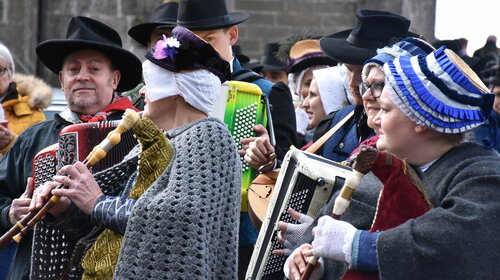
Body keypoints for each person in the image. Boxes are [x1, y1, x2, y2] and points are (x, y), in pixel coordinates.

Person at [30, 26, 241, 280]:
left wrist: (98, 202)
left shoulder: (208, 135)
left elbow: (179, 222)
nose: (141, 92)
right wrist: (66, 208)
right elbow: (112, 226)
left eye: (150, 83)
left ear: (174, 89)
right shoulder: (153, 140)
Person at [298, 47, 500, 280]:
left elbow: (451, 246)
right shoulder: (382, 166)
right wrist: (318, 265)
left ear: (420, 119)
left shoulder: (484, 177)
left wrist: (356, 245)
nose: (376, 118)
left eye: (385, 109)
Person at [0, 16, 141, 280]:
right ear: (63, 79)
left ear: (115, 79)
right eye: (74, 69)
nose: (82, 76)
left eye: (94, 69)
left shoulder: (141, 135)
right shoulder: (34, 137)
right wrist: (9, 213)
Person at [282, 37, 435, 280]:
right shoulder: (368, 150)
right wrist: (311, 255)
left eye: (380, 86)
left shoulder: (464, 170)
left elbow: (436, 253)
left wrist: (354, 245)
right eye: (364, 83)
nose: (366, 95)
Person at [176, 1, 298, 278]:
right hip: (189, 230)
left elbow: (293, 167)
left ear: (232, 35)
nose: (202, 50)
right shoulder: (173, 93)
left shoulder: (267, 91)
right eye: (193, 43)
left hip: (244, 235)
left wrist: (269, 160)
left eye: (209, 40)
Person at [124, 1, 179, 110]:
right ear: (149, 47)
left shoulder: (203, 96)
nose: (168, 45)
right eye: (161, 38)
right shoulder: (127, 101)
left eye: (178, 38)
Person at [0, 43, 52, 155]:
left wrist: (11, 143)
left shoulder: (32, 114)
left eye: (0, 70)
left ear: (10, 73)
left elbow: (41, 158)